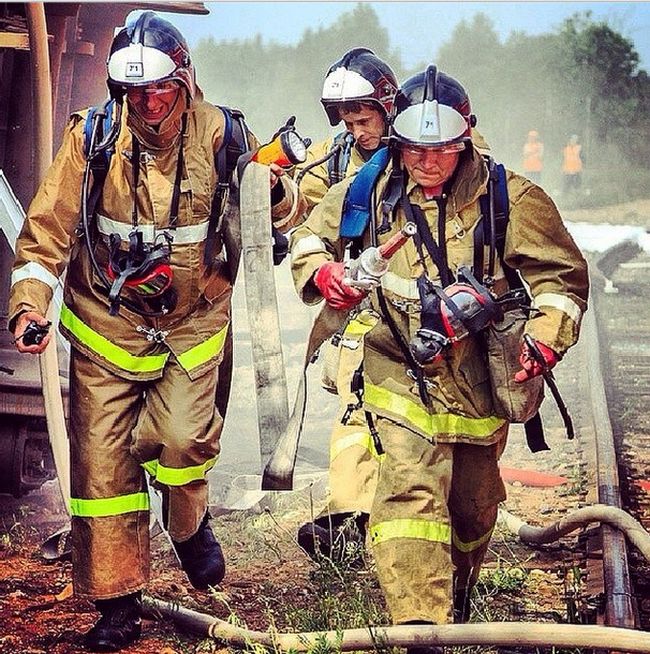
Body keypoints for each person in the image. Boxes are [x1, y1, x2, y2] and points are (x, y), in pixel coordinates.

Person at [9, 12, 304, 652]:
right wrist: (29, 306)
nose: (147, 105)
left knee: (180, 441)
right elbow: (45, 233)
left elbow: (281, 214)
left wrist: (274, 191)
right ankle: (117, 604)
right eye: (134, 93)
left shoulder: (224, 134)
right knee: (102, 472)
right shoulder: (91, 138)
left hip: (192, 326)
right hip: (105, 327)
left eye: (159, 91)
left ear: (185, 82)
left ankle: (189, 524)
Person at [290, 65, 588, 638]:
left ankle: (458, 591)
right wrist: (324, 273)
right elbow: (309, 237)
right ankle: (419, 629)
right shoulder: (369, 191)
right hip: (398, 364)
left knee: (472, 508)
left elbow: (562, 279)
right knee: (407, 493)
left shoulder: (510, 198)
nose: (427, 163)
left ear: (465, 138)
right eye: (415, 150)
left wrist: (546, 339)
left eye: (441, 150)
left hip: (479, 374)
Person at [292, 47, 399, 564]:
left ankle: (404, 519)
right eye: (348, 122)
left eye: (365, 120)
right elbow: (299, 216)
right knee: (356, 412)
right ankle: (350, 521)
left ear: (389, 107)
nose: (358, 132)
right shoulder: (331, 161)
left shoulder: (429, 151)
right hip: (361, 314)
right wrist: (270, 190)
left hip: (429, 314)